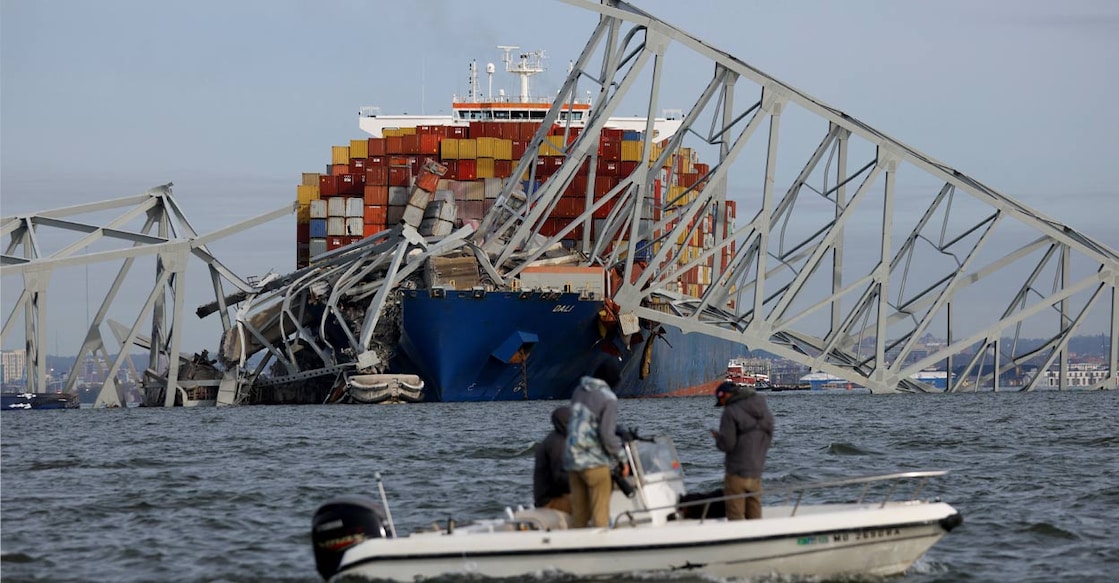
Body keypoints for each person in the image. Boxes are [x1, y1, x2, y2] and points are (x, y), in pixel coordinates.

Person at [564, 358, 628, 528]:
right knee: (601, 517)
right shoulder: (609, 398)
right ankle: (603, 551)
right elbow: (607, 435)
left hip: (572, 461)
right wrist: (623, 459)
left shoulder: (578, 391)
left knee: (579, 517)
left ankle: (577, 551)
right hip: (594, 463)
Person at [710, 380, 774, 520]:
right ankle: (758, 540)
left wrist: (718, 438)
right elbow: (768, 437)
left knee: (735, 516)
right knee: (755, 516)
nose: (723, 405)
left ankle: (739, 541)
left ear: (726, 395)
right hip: (756, 471)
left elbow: (727, 444)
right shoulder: (763, 408)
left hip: (737, 473)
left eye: (721, 401)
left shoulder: (731, 411)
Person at [533, 405, 572, 513]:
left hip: (548, 497)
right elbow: (560, 478)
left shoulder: (556, 439)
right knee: (588, 502)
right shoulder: (557, 444)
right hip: (550, 501)